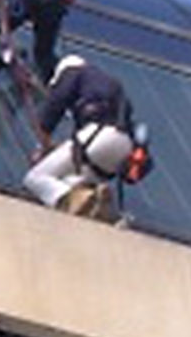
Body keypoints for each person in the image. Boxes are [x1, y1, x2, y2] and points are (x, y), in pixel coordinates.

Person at [23, 54, 136, 218]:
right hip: (123, 146)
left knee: (35, 178)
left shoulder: (74, 72)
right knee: (70, 179)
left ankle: (75, 199)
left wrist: (43, 145)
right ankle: (95, 197)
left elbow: (55, 105)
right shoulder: (112, 84)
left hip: (98, 135)